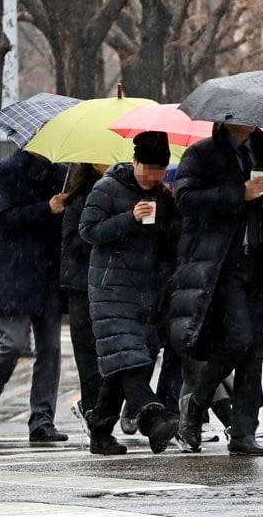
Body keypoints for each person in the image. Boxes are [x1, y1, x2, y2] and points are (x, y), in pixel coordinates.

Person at [171, 123, 263, 457]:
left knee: (254, 349)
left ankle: (244, 432)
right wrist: (236, 193)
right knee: (237, 339)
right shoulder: (202, 154)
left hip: (262, 262)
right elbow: (185, 200)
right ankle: (196, 405)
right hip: (222, 263)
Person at [78, 132, 180, 454]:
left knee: (121, 362)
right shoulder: (106, 188)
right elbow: (88, 231)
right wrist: (129, 219)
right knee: (129, 360)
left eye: (160, 169)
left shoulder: (163, 196)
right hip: (110, 288)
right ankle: (154, 419)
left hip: (146, 293)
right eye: (147, 167)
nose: (153, 175)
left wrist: (170, 217)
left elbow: (170, 243)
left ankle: (100, 432)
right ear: (134, 161)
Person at [0, 150, 68, 442]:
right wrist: (46, 209)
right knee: (12, 342)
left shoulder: (61, 173)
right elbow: (4, 218)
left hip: (49, 273)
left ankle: (42, 420)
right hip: (15, 273)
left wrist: (64, 208)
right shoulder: (5, 170)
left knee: (50, 349)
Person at [61, 162, 108, 433]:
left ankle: (101, 408)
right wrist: (98, 235)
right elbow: (72, 241)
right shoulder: (79, 197)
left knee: (109, 353)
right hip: (81, 284)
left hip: (110, 283)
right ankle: (92, 410)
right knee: (88, 352)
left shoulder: (122, 192)